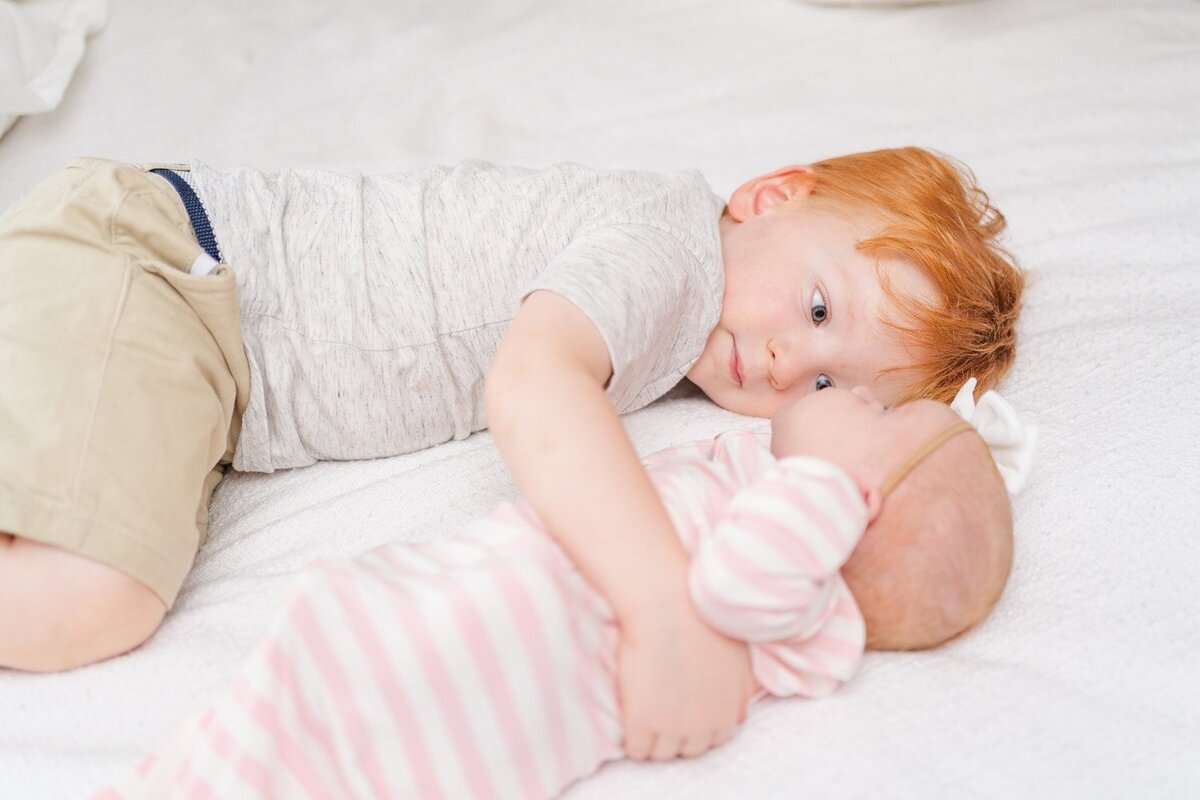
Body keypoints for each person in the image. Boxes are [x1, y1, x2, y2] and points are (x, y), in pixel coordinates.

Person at [0, 147, 1023, 760]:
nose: (785, 360)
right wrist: (664, 605)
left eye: (827, 382)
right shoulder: (665, 247)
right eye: (815, 305)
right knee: (96, 592)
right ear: (768, 197)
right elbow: (533, 382)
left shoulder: (686, 345)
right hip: (165, 269)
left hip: (187, 339)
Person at [97, 381, 1033, 800]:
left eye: (869, 410)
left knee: (286, 744)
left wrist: (821, 481)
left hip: (456, 672)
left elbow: (736, 583)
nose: (853, 392)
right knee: (248, 752)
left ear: (855, 505)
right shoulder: (783, 520)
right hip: (447, 674)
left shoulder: (800, 576)